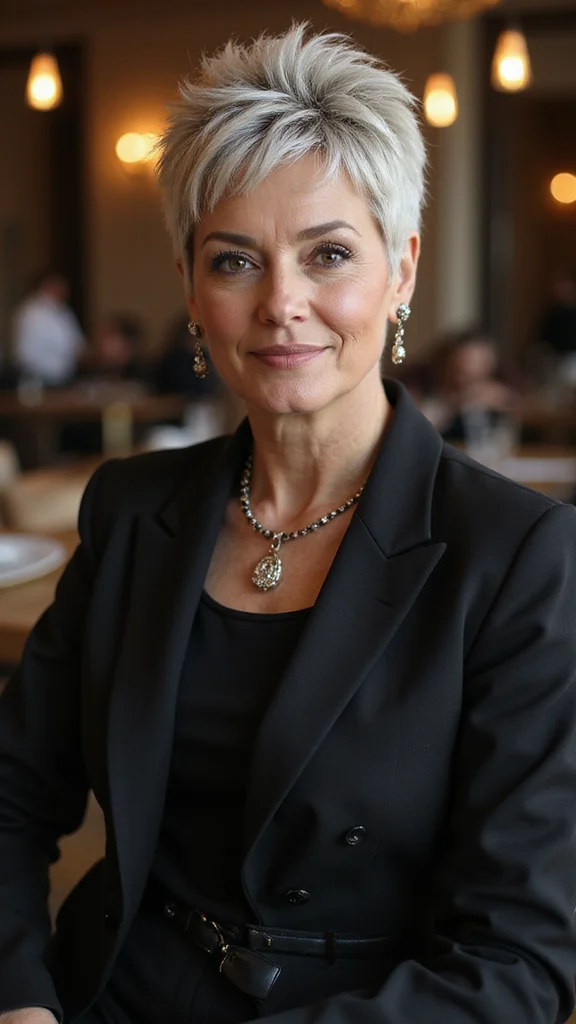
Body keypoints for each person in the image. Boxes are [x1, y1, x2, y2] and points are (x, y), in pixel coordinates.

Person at [1, 25, 576, 1024]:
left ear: (400, 272)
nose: (282, 304)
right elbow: (9, 796)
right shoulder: (133, 510)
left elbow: (517, 959)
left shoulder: (518, 555)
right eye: (235, 260)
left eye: (329, 255)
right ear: (191, 287)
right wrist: (20, 1000)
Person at [418, 327, 522, 443]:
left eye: (480, 364)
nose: (469, 373)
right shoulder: (433, 399)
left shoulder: (500, 397)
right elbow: (419, 432)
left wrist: (509, 403)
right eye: (461, 369)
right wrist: (457, 404)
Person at [12, 270, 85, 386]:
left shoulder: (64, 311)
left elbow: (76, 343)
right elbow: (26, 353)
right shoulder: (31, 312)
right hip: (39, 378)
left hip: (65, 377)